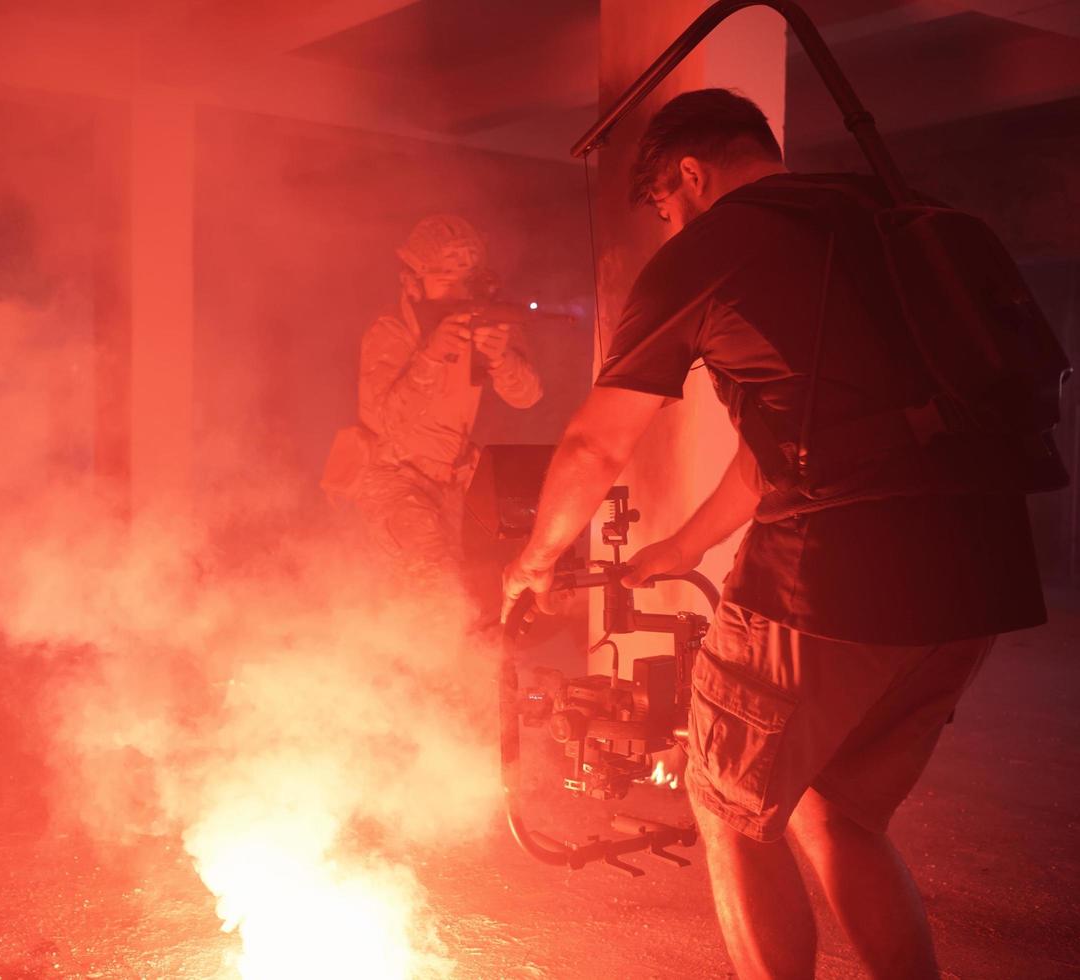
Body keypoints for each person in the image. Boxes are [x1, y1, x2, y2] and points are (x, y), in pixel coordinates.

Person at [501, 89, 1046, 979]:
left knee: (728, 805)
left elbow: (598, 439)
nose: (673, 226)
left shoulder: (713, 251)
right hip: (979, 581)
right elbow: (784, 450)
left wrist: (533, 563)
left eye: (670, 208)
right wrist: (681, 548)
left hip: (828, 585)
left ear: (691, 172)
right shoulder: (892, 223)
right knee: (837, 813)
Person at [350, 214, 543, 582]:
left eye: (464, 282)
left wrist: (502, 360)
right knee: (433, 591)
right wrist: (430, 357)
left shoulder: (482, 323)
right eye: (444, 280)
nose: (456, 294)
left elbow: (528, 396)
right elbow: (388, 420)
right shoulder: (392, 332)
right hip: (395, 478)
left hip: (450, 486)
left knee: (436, 593)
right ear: (414, 283)